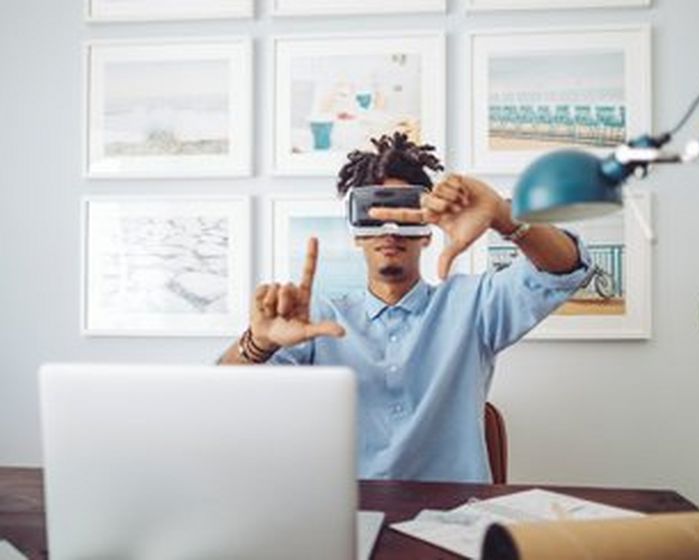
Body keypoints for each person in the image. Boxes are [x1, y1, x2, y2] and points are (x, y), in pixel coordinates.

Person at [219, 132, 592, 482]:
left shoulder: (473, 306)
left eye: (404, 212)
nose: (391, 228)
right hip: (348, 515)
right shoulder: (316, 321)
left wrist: (501, 215)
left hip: (456, 519)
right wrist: (259, 343)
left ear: (428, 232)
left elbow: (566, 269)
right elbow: (220, 395)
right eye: (374, 214)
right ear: (357, 234)